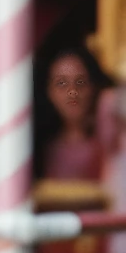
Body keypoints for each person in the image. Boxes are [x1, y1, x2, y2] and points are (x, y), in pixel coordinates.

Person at [35, 46, 109, 182]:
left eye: (80, 82)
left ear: (93, 87)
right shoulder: (37, 147)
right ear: (48, 91)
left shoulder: (110, 139)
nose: (72, 91)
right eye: (61, 83)